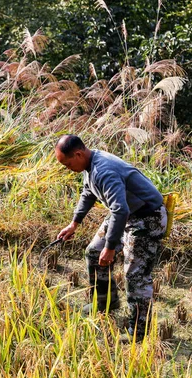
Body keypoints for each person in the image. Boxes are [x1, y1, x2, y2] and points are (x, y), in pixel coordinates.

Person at [55, 135, 167, 342]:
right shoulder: (88, 165)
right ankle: (106, 301)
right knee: (93, 252)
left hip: (146, 217)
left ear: (78, 154)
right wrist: (74, 223)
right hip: (127, 214)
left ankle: (139, 333)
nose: (67, 168)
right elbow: (88, 193)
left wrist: (111, 246)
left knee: (135, 276)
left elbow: (120, 210)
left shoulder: (104, 170)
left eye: (68, 163)